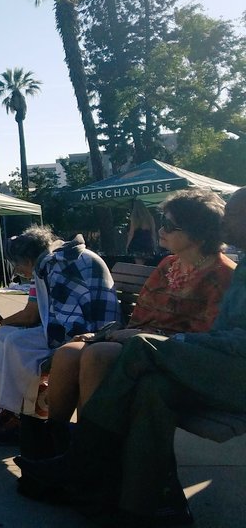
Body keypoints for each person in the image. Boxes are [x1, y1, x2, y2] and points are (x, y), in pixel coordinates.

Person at [17, 187, 246, 526]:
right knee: (147, 385)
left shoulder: (226, 272)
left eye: (234, 215)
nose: (223, 219)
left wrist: (159, 339)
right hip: (204, 359)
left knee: (128, 351)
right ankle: (135, 508)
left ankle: (79, 462)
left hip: (228, 368)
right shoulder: (220, 267)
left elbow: (229, 340)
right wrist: (120, 333)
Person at [46, 189, 234, 436]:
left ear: (197, 233)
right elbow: (140, 317)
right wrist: (110, 333)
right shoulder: (168, 265)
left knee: (98, 356)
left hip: (174, 355)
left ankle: (89, 448)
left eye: (168, 225)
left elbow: (204, 338)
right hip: (139, 341)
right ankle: (52, 441)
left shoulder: (223, 274)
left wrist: (137, 335)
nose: (160, 229)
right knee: (67, 353)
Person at [0, 226, 120, 446]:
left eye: (18, 264)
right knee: (4, 336)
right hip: (74, 326)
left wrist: (13, 325)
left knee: (17, 343)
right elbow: (34, 312)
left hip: (92, 330)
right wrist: (6, 325)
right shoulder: (48, 263)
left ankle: (24, 419)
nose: (17, 270)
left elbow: (67, 324)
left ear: (28, 258)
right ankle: (10, 412)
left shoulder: (58, 265)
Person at [125, 198, 158, 262]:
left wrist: (127, 246)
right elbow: (153, 233)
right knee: (147, 263)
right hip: (147, 243)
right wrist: (154, 245)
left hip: (136, 244)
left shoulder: (134, 218)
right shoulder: (150, 218)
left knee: (138, 263)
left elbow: (131, 234)